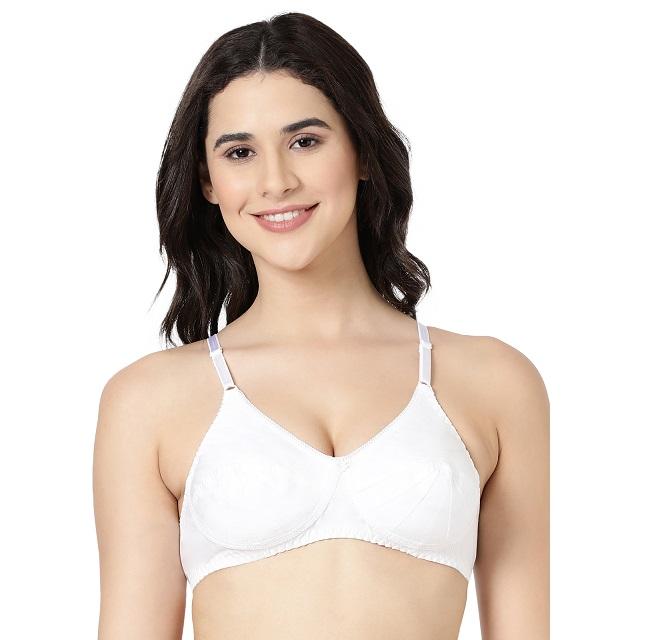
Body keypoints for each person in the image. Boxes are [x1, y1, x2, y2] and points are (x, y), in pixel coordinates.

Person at [93, 12, 549, 640]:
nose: (276, 182)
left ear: (362, 152)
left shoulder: (494, 381)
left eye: (305, 141)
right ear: (207, 181)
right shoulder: (148, 401)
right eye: (240, 152)